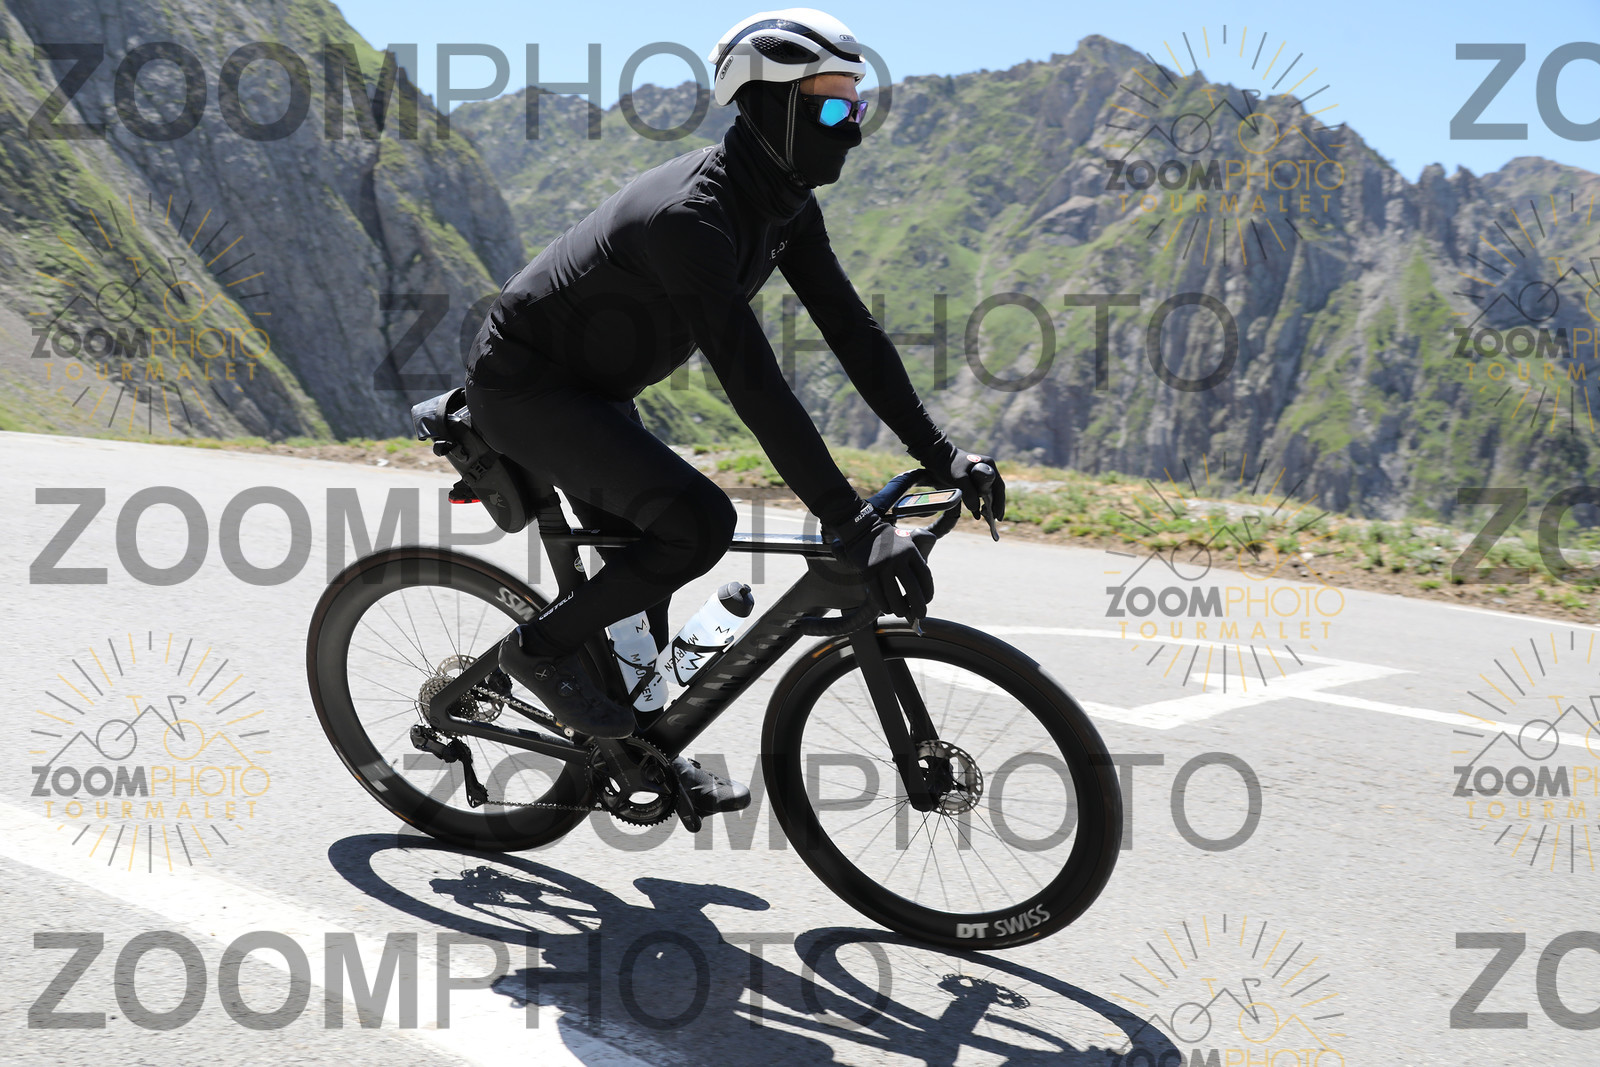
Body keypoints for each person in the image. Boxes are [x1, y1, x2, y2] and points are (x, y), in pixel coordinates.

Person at [464, 8, 1006, 813]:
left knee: (643, 582)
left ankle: (639, 749)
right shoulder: (692, 218)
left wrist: (942, 453)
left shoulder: (785, 205)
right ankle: (537, 652)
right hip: (522, 386)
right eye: (833, 107)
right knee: (698, 525)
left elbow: (853, 334)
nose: (852, 128)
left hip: (593, 390)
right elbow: (755, 384)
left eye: (857, 106)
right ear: (771, 107)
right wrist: (848, 520)